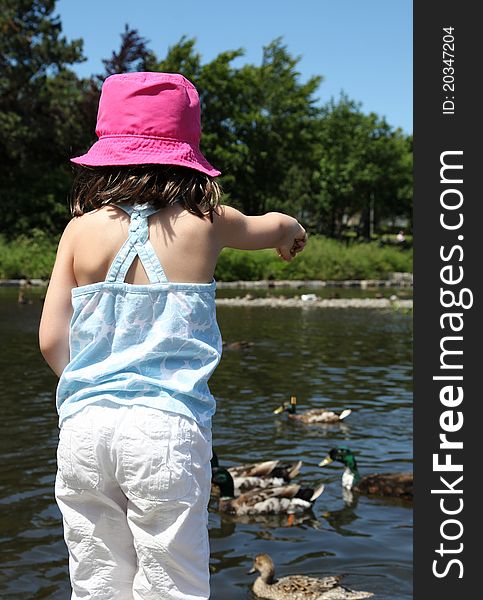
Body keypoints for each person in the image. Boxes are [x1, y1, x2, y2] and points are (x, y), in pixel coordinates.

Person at [38, 72, 307, 600]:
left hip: (84, 430)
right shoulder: (207, 221)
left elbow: (51, 340)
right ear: (187, 153)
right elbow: (270, 224)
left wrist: (92, 389)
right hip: (165, 430)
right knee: (172, 583)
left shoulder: (79, 230)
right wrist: (291, 231)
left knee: (95, 581)